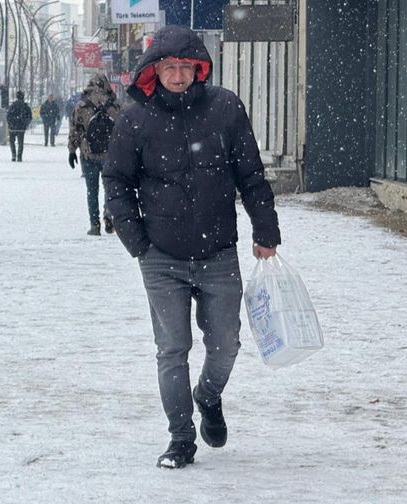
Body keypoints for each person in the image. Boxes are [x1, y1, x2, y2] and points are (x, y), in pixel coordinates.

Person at [103, 25, 281, 469]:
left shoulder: (224, 109)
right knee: (172, 348)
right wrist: (137, 242)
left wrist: (266, 231)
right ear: (154, 71)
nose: (178, 76)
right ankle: (181, 438)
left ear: (199, 68)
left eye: (186, 67)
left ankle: (208, 395)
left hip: (218, 250)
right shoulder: (135, 118)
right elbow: (117, 182)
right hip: (160, 256)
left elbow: (252, 175)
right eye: (169, 68)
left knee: (226, 344)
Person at [68, 74, 121, 236]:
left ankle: (94, 224)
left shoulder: (82, 105)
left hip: (87, 153)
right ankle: (109, 213)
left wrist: (72, 150)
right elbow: (123, 130)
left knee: (92, 190)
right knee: (109, 188)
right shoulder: (115, 105)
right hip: (110, 155)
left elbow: (75, 130)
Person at [7, 91, 32, 162]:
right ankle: (19, 156)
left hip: (12, 127)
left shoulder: (12, 105)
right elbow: (29, 117)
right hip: (21, 128)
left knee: (12, 142)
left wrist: (10, 123)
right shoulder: (25, 106)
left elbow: (8, 116)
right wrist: (25, 124)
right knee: (20, 142)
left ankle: (13, 155)